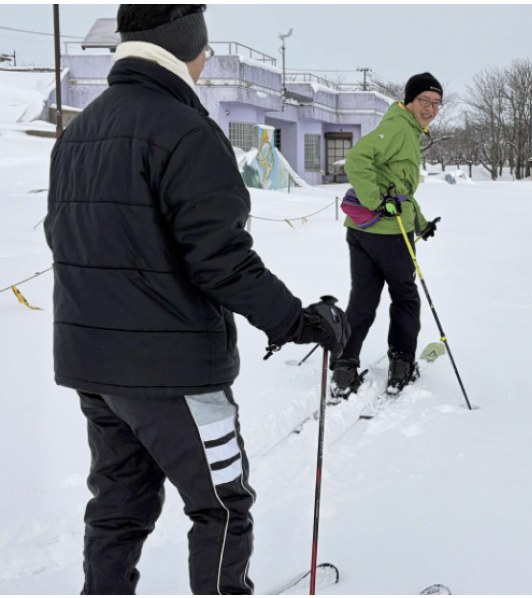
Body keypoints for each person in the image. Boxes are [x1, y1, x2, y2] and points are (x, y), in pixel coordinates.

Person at [44, 5, 349, 594]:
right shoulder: (185, 129)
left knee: (118, 505)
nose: (205, 63)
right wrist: (298, 322)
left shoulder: (79, 131)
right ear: (188, 48)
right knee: (223, 504)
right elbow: (220, 260)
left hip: (94, 364)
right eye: (204, 51)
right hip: (171, 371)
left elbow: (66, 238)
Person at [330, 72, 442, 399]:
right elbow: (358, 159)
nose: (430, 108)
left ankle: (345, 366)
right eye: (424, 101)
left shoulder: (405, 129)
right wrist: (378, 201)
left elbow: (399, 189)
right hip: (389, 235)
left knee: (364, 297)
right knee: (405, 296)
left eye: (436, 103)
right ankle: (402, 363)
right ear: (409, 100)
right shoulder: (398, 128)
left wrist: (419, 221)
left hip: (362, 232)